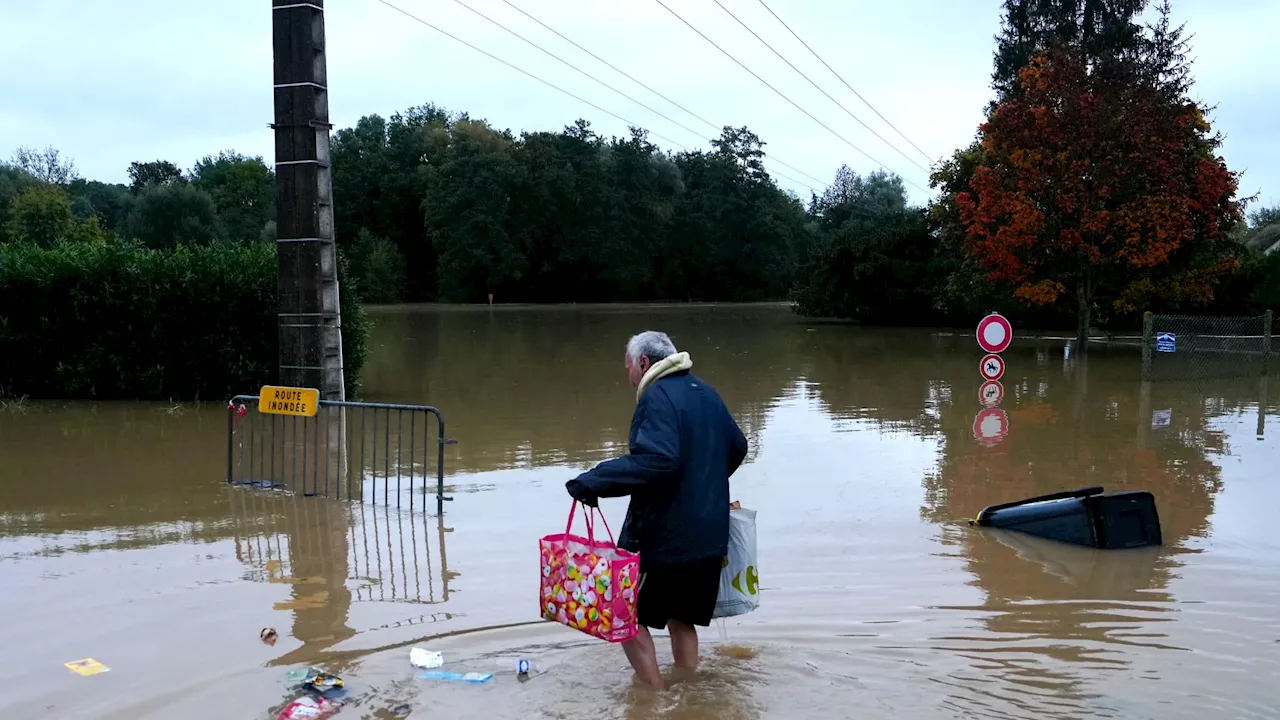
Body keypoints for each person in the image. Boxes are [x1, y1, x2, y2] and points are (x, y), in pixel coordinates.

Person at [566, 331, 748, 690]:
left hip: (667, 537)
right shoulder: (706, 393)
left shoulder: (656, 397)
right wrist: (703, 487)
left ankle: (655, 698)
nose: (629, 376)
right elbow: (738, 446)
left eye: (628, 368)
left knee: (624, 614)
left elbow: (658, 459)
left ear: (644, 363)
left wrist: (595, 481)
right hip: (711, 535)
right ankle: (691, 693)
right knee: (682, 618)